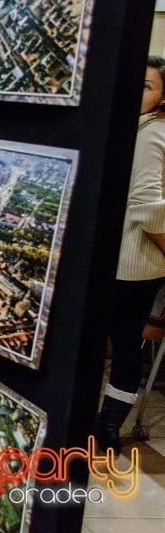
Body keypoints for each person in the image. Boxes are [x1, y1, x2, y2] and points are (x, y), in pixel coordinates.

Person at [96, 56, 165, 455]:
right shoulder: (134, 127)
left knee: (121, 345)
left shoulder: (151, 131)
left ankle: (107, 427)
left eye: (147, 86)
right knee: (122, 345)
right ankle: (105, 427)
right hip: (126, 260)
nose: (137, 93)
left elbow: (147, 204)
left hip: (132, 261)